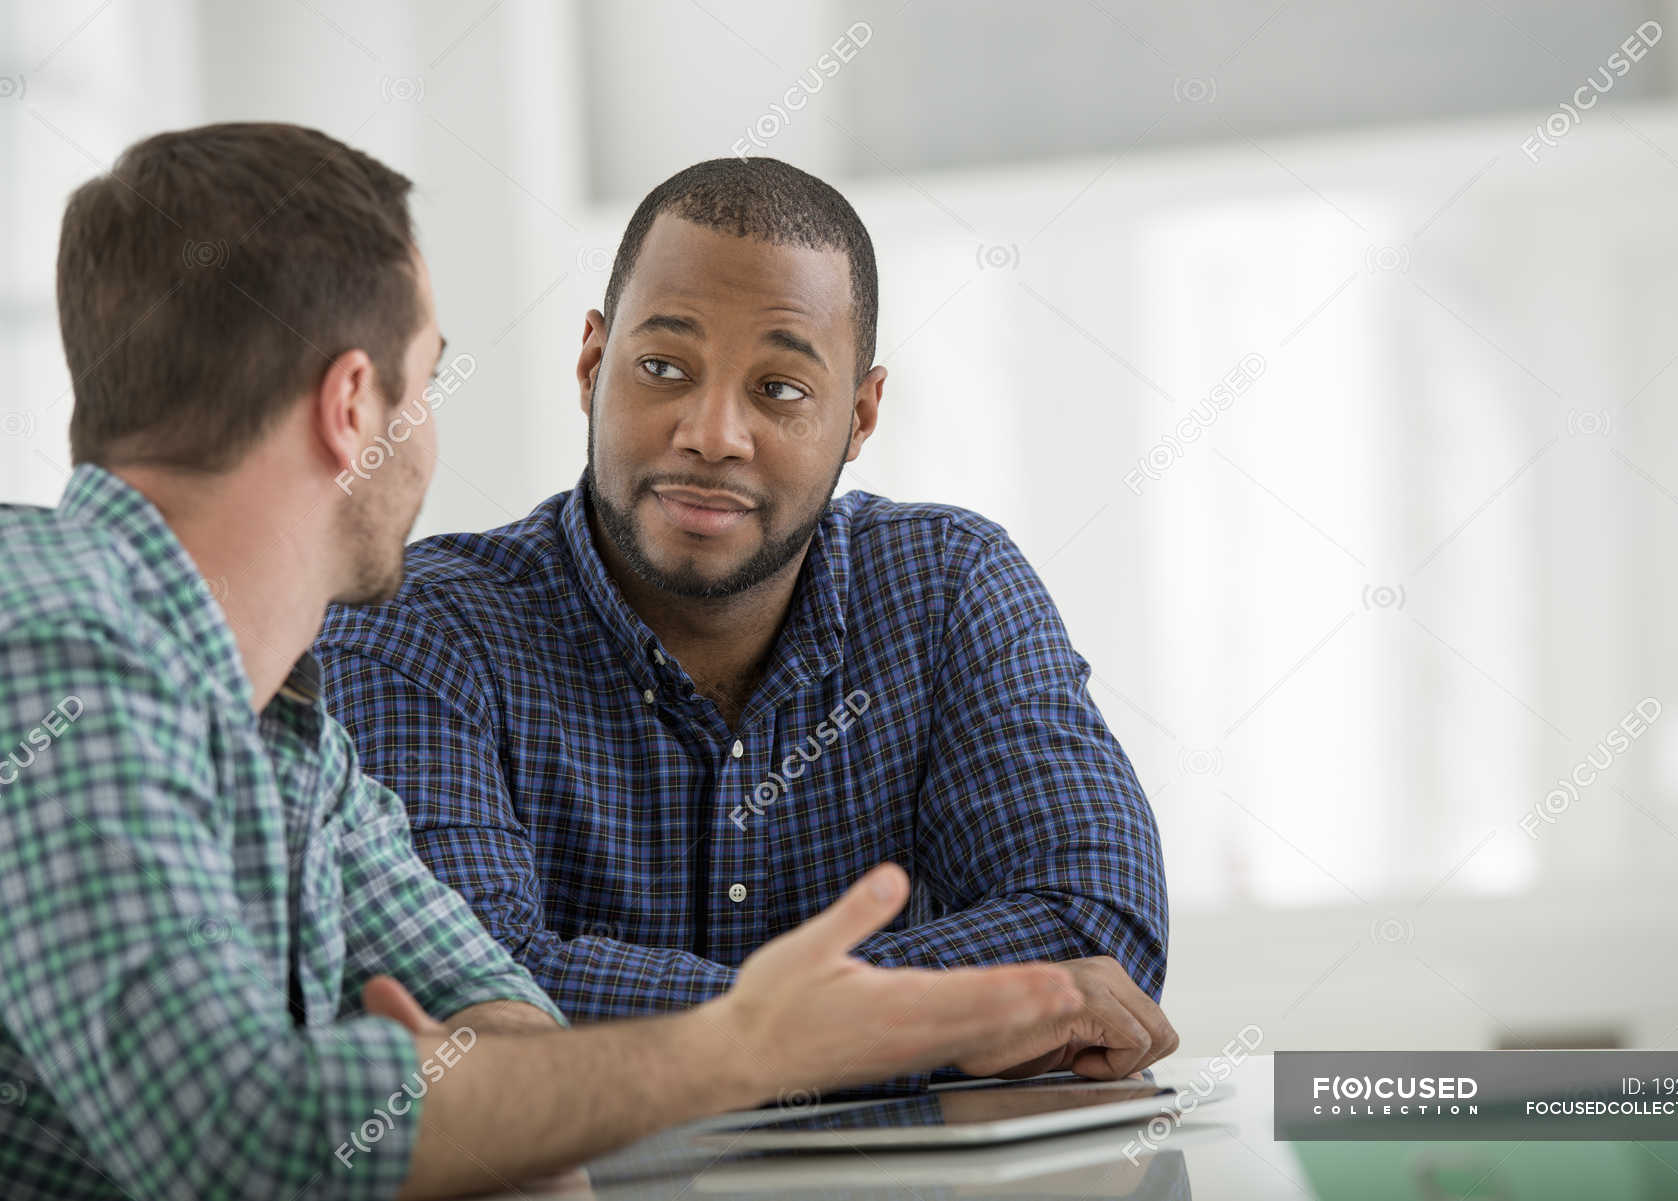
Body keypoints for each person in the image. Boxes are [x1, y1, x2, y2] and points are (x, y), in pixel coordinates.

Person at [0, 122, 1088, 1201]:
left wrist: (514, 1118)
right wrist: (744, 1044)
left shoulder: (292, 741)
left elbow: (490, 1009)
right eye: (424, 382)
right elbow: (238, 1127)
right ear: (350, 410)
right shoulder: (46, 637)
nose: (426, 436)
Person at [316, 156, 1177, 1081]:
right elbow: (462, 998)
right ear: (592, 365)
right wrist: (903, 1023)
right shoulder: (415, 628)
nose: (712, 432)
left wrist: (727, 1029)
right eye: (661, 367)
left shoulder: (950, 587)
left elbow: (1095, 927)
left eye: (780, 389)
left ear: (859, 414)